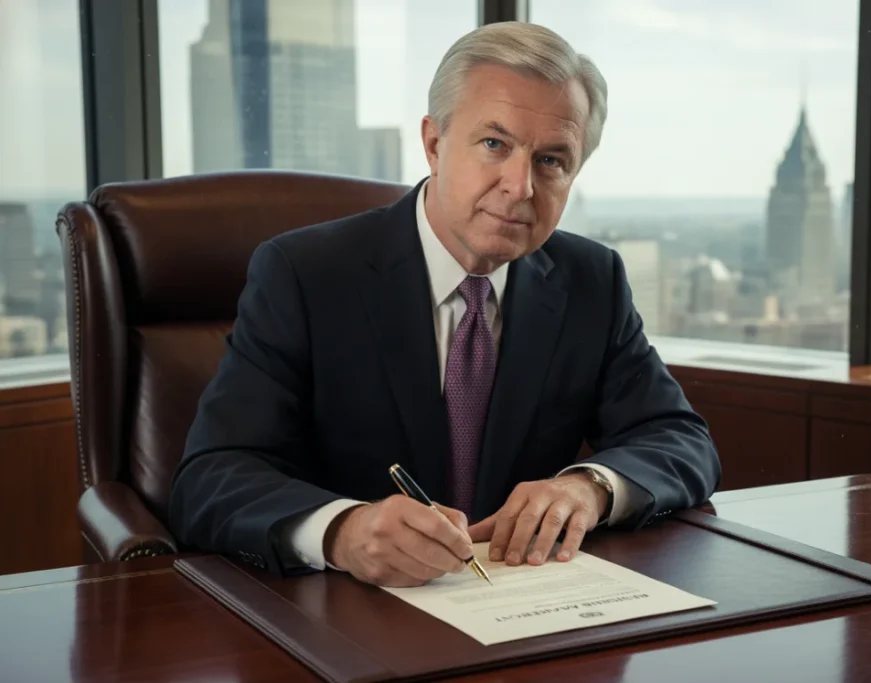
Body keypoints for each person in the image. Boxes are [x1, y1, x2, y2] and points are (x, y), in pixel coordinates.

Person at [168, 21, 720, 586]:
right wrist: (343, 532)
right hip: (345, 606)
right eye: (494, 144)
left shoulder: (591, 280)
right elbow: (211, 478)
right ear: (434, 144)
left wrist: (590, 487)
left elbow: (680, 441)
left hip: (520, 601)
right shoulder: (304, 275)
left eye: (552, 160)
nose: (520, 186)